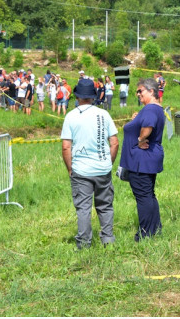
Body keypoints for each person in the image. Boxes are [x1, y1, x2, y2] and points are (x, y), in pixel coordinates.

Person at [61, 78, 119, 250]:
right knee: (105, 205)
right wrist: (108, 162)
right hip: (103, 169)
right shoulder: (104, 114)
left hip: (81, 170)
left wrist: (70, 168)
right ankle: (108, 239)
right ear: (93, 97)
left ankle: (84, 243)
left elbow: (66, 147)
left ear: (77, 97)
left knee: (84, 208)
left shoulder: (71, 116)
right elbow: (114, 142)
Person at [119, 78, 165, 241]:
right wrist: (136, 120)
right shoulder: (153, 108)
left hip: (141, 161)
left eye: (140, 91)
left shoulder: (151, 109)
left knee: (143, 197)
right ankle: (155, 229)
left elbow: (149, 125)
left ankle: (145, 233)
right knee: (148, 195)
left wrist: (140, 139)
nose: (138, 94)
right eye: (137, 91)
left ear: (151, 91)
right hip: (147, 159)